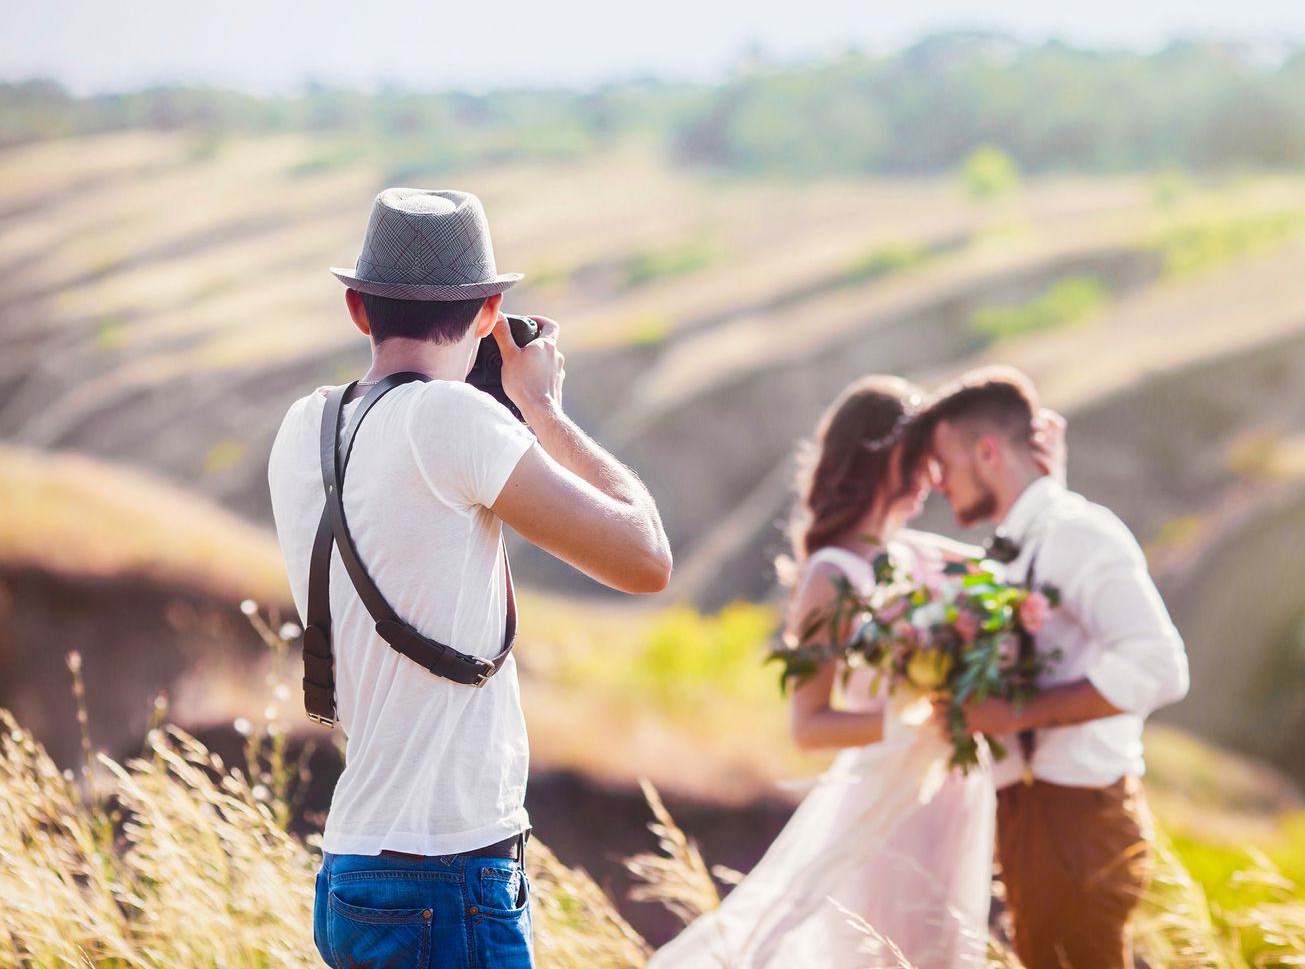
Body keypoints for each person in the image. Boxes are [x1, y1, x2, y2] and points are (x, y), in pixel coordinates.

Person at [267, 188, 671, 969]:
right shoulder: (455, 423)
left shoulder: (303, 426)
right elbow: (646, 557)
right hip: (446, 869)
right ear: (490, 313)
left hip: (351, 860)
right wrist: (541, 407)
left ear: (357, 309)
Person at [650, 375, 1065, 969]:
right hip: (882, 802)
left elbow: (1022, 571)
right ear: (886, 456)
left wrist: (1050, 482)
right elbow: (810, 726)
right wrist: (906, 719)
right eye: (924, 457)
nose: (935, 476)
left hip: (954, 793)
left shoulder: (920, 553)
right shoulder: (830, 575)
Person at [903, 366, 1190, 969]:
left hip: (1075, 819)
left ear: (986, 452)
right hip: (1035, 818)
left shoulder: (1079, 534)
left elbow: (1160, 667)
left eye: (943, 462)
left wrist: (1010, 713)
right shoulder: (1022, 544)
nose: (936, 482)